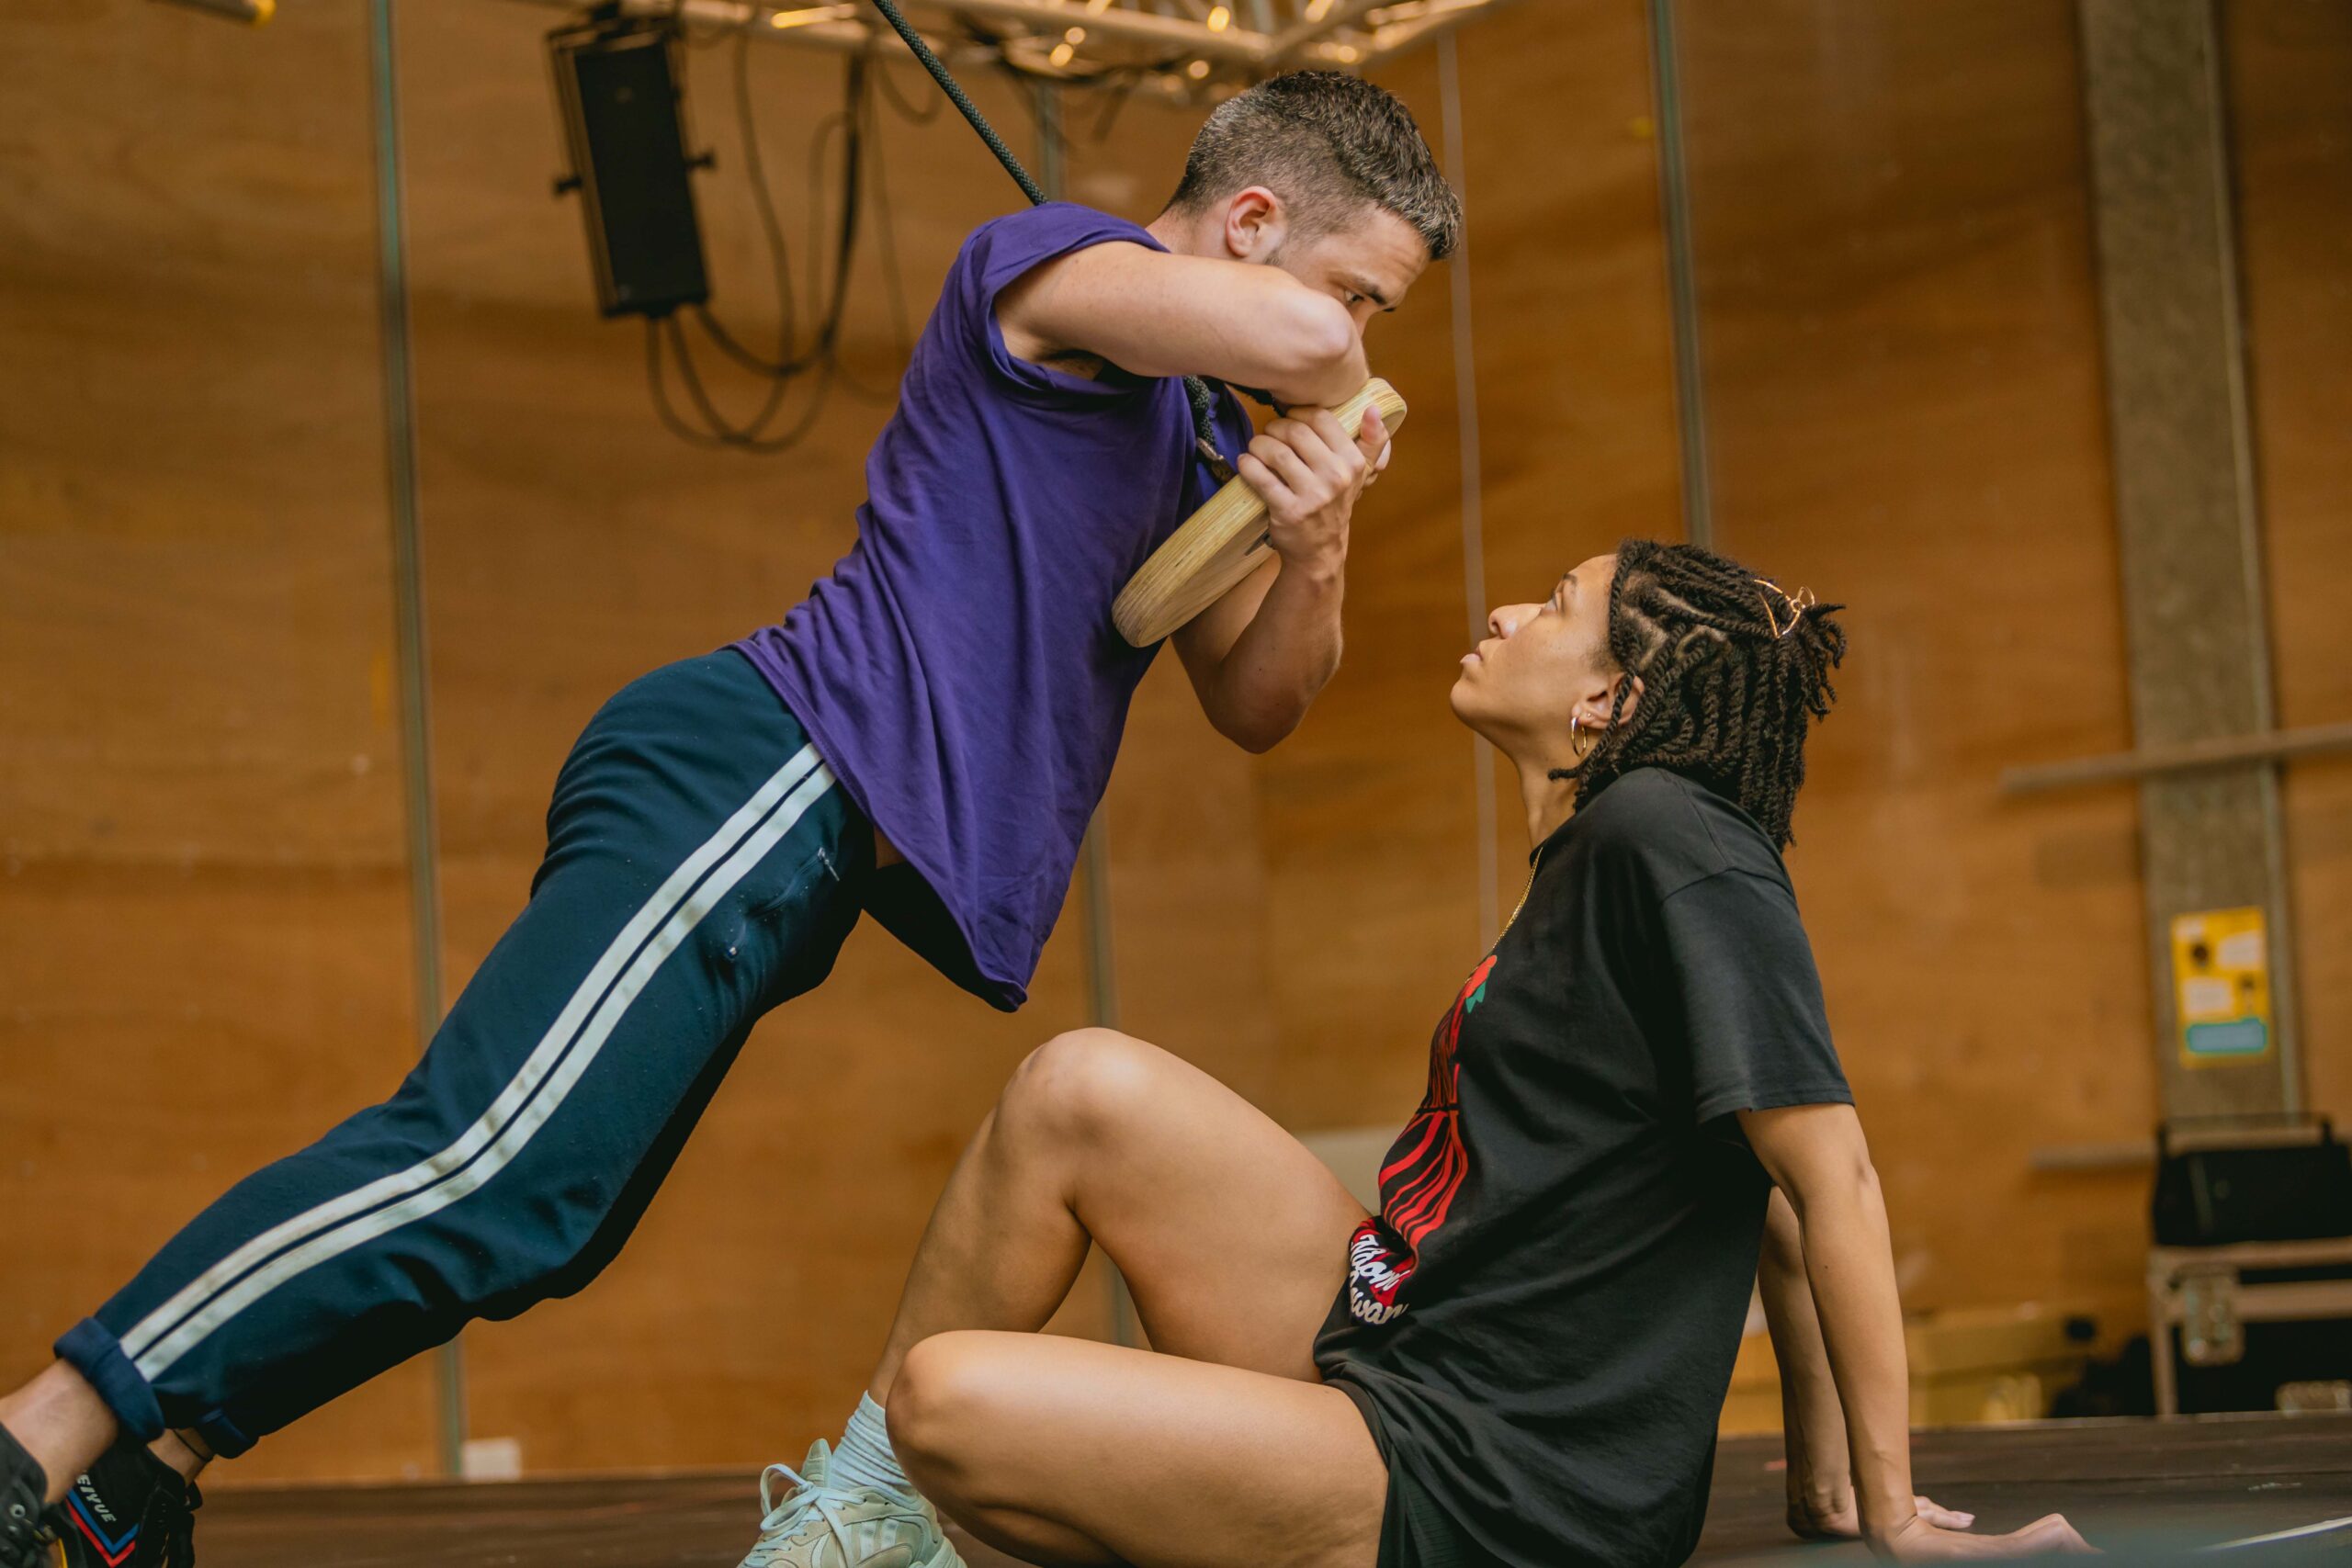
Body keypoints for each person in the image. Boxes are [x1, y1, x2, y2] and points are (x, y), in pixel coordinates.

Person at [0, 71, 1461, 1568]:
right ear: (1252, 223)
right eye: (1364, 296)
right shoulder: (1055, 260)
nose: (1362, 346)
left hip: (808, 848)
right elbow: (1302, 341)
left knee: (547, 1224)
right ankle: (42, 1433)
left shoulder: (1198, 438)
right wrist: (1341, 375)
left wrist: (1319, 542)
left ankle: (150, 1460)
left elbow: (1258, 699)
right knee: (479, 1161)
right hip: (764, 768)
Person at [734, 542, 2097, 1568]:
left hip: (1494, 1477)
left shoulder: (1675, 841)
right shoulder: (1589, 861)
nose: (1505, 613)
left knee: (953, 1398)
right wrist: (1819, 1488)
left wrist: (1891, 1508)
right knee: (1078, 1087)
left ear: (1608, 705)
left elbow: (1825, 1175)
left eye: (1554, 608)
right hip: (1409, 1345)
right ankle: (855, 1522)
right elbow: (1765, 1201)